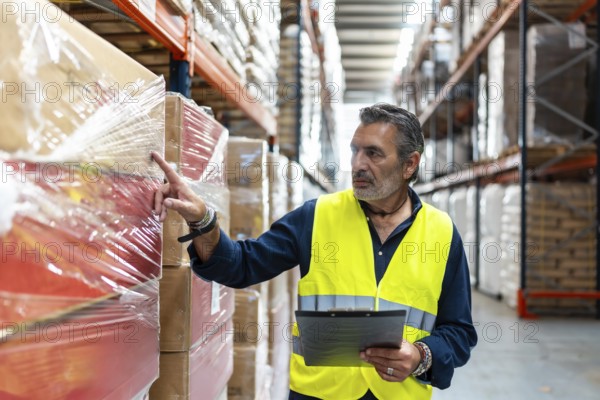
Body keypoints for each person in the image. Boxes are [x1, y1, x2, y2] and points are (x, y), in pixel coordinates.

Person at [152, 103, 477, 400]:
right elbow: (240, 265)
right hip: (317, 395)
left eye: (374, 154)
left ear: (410, 164)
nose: (358, 164)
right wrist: (202, 220)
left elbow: (459, 332)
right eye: (355, 151)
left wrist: (421, 355)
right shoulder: (317, 216)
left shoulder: (442, 233)